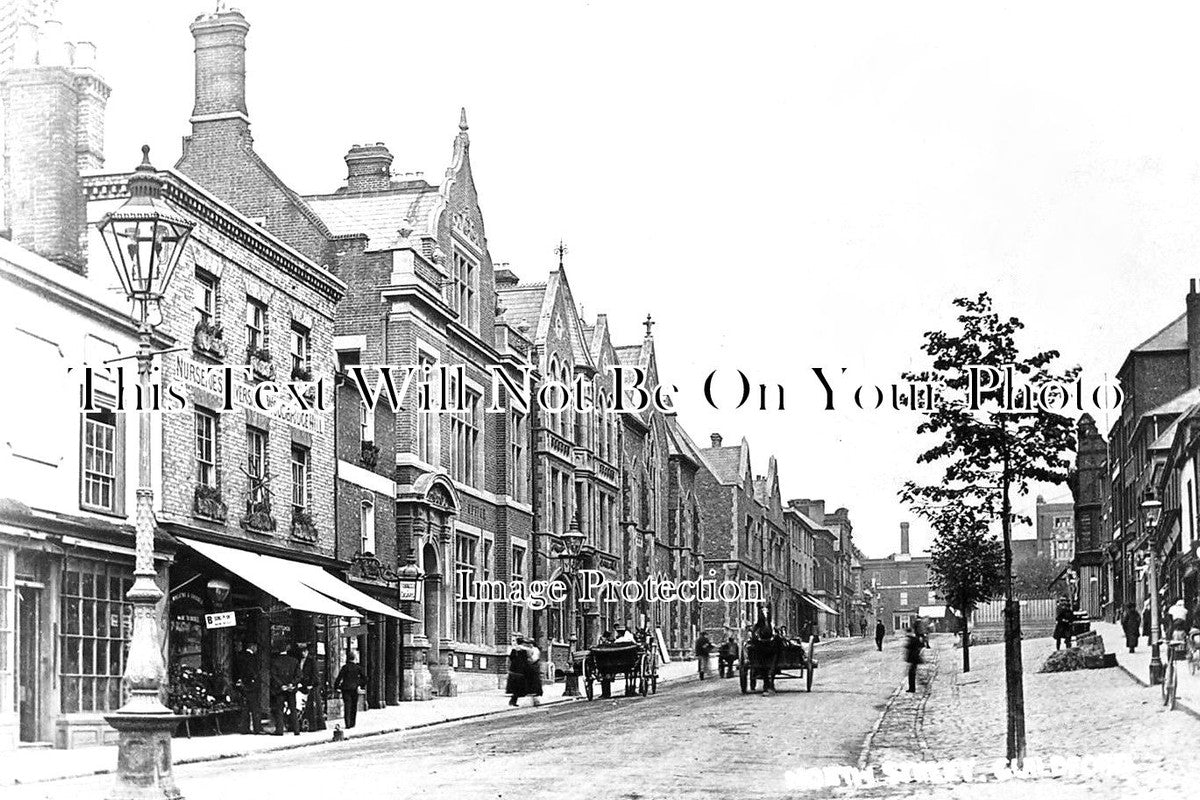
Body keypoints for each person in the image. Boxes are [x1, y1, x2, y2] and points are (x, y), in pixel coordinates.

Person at [269, 645, 301, 736]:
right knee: (293, 709)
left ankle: (279, 730)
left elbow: (273, 675)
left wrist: (281, 685)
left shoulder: (275, 661)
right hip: (291, 690)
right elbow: (299, 675)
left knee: (279, 709)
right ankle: (296, 730)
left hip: (280, 690)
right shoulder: (294, 661)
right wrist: (292, 684)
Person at [233, 640, 263, 734]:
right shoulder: (252, 658)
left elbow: (237, 670)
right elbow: (251, 671)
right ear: (253, 647)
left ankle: (244, 728)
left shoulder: (240, 656)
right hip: (251, 685)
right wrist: (253, 679)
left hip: (242, 685)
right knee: (255, 707)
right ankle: (257, 728)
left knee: (245, 707)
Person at [333, 651, 367, 729]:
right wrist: (359, 684)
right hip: (354, 689)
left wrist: (336, 687)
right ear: (354, 658)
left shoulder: (345, 667)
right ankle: (352, 723)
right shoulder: (358, 668)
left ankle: (347, 723)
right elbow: (365, 678)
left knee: (347, 706)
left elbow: (339, 678)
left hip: (346, 689)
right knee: (354, 706)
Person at [296, 643, 325, 733]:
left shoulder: (312, 661)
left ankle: (314, 725)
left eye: (304, 651)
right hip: (302, 685)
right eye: (302, 652)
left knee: (312, 707)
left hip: (311, 686)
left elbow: (315, 674)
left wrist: (311, 684)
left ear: (307, 652)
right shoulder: (300, 660)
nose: (303, 653)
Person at [505, 637, 529, 707]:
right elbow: (525, 661)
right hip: (520, 671)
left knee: (515, 686)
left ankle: (513, 700)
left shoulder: (514, 650)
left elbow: (511, 658)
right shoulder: (524, 650)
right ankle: (513, 700)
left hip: (514, 670)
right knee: (519, 687)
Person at [903, 628, 924, 693]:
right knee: (912, 673)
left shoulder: (912, 639)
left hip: (913, 659)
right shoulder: (914, 638)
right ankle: (912, 688)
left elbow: (908, 647)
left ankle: (912, 688)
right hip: (914, 658)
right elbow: (921, 645)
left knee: (911, 674)